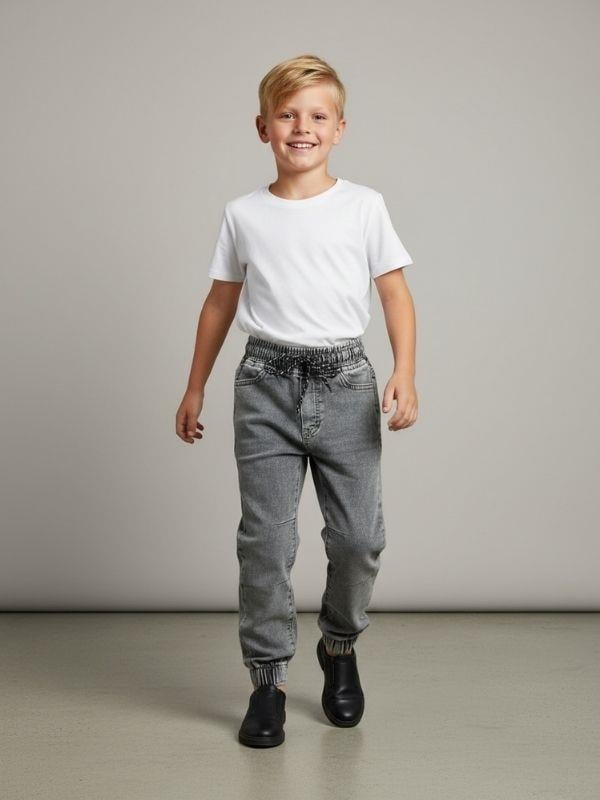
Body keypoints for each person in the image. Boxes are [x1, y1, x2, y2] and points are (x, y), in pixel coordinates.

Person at [176, 53, 418, 748]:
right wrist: (194, 385)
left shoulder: (364, 206)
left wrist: (405, 371)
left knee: (359, 539)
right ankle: (267, 682)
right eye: (286, 115)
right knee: (267, 542)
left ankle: (338, 645)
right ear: (263, 128)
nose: (301, 128)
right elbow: (219, 303)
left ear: (340, 128)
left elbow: (395, 294)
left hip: (346, 384)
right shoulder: (244, 214)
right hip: (265, 385)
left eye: (317, 116)